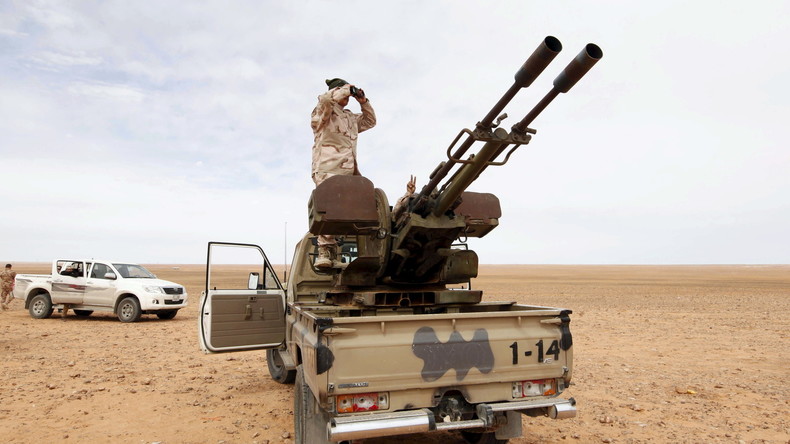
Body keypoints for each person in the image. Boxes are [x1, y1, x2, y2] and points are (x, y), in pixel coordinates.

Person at [311, 77, 377, 268]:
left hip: (348, 171)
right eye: (342, 91)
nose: (347, 96)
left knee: (350, 210)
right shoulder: (324, 110)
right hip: (327, 168)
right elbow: (325, 100)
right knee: (328, 209)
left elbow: (370, 121)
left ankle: (341, 255)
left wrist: (363, 102)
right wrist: (345, 90)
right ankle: (325, 252)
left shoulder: (349, 117)